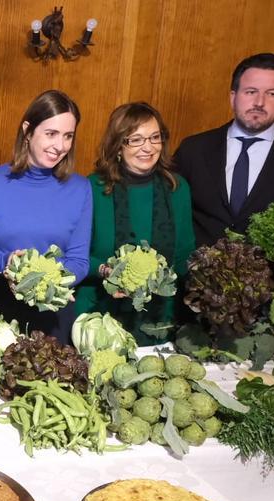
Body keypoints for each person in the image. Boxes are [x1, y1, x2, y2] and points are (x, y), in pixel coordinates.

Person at [0, 90, 91, 344]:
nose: (60, 146)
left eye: (68, 136)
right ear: (28, 130)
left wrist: (48, 282)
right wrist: (8, 263)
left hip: (53, 317)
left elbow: (79, 261)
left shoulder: (80, 188)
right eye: (51, 134)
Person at [174, 52, 274, 246]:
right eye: (250, 91)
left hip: (264, 275)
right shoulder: (194, 149)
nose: (259, 102)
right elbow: (167, 213)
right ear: (233, 97)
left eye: (272, 94)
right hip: (194, 272)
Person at [78, 102, 194, 344]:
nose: (148, 147)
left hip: (160, 321)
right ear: (118, 145)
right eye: (136, 139)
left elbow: (184, 254)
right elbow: (77, 257)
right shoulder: (92, 189)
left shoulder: (177, 188)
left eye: (155, 137)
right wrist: (109, 272)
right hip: (100, 319)